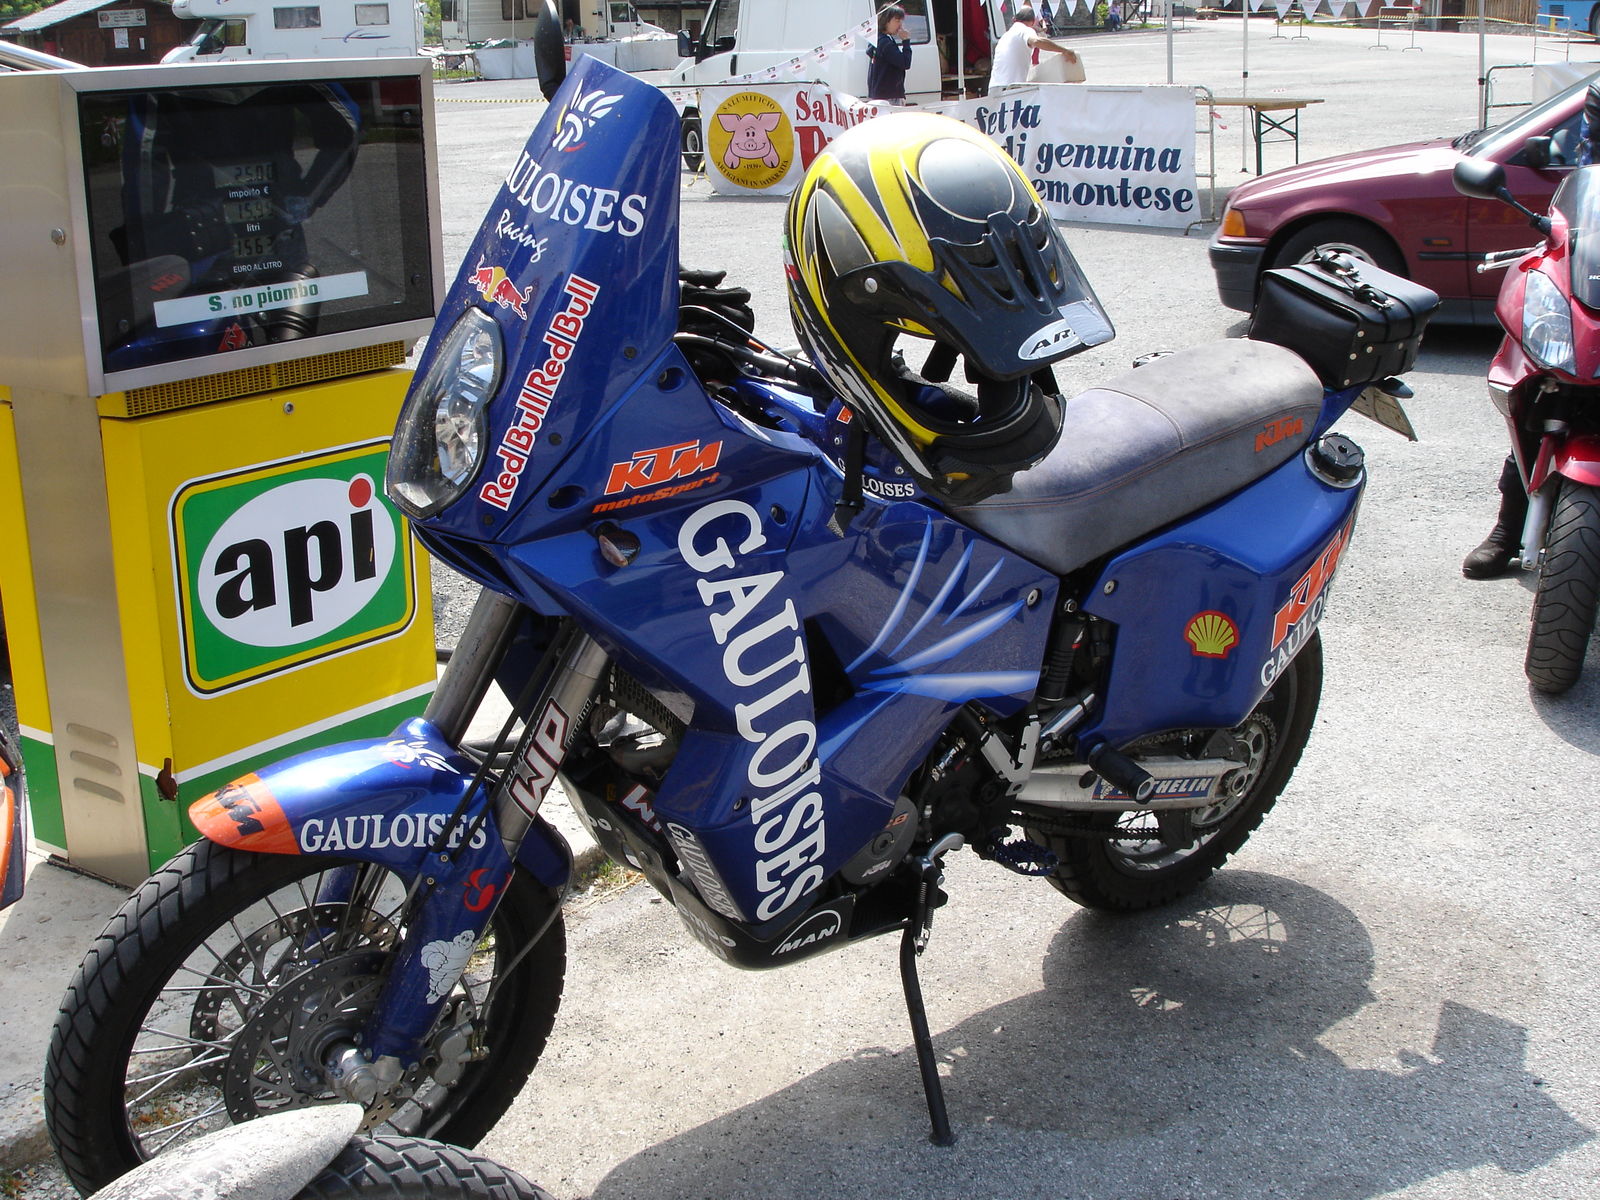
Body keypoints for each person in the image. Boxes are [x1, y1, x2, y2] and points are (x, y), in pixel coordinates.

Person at [988, 5, 1079, 91]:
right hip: (1010, 88)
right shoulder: (1025, 30)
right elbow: (1036, 41)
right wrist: (1065, 51)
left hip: (994, 87)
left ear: (1014, 19)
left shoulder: (1005, 36)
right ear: (1033, 22)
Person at [867, 6, 914, 103]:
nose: (900, 25)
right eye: (897, 21)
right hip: (889, 96)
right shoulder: (885, 43)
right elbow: (905, 63)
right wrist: (906, 41)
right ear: (886, 20)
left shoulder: (878, 39)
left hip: (879, 94)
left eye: (901, 21)